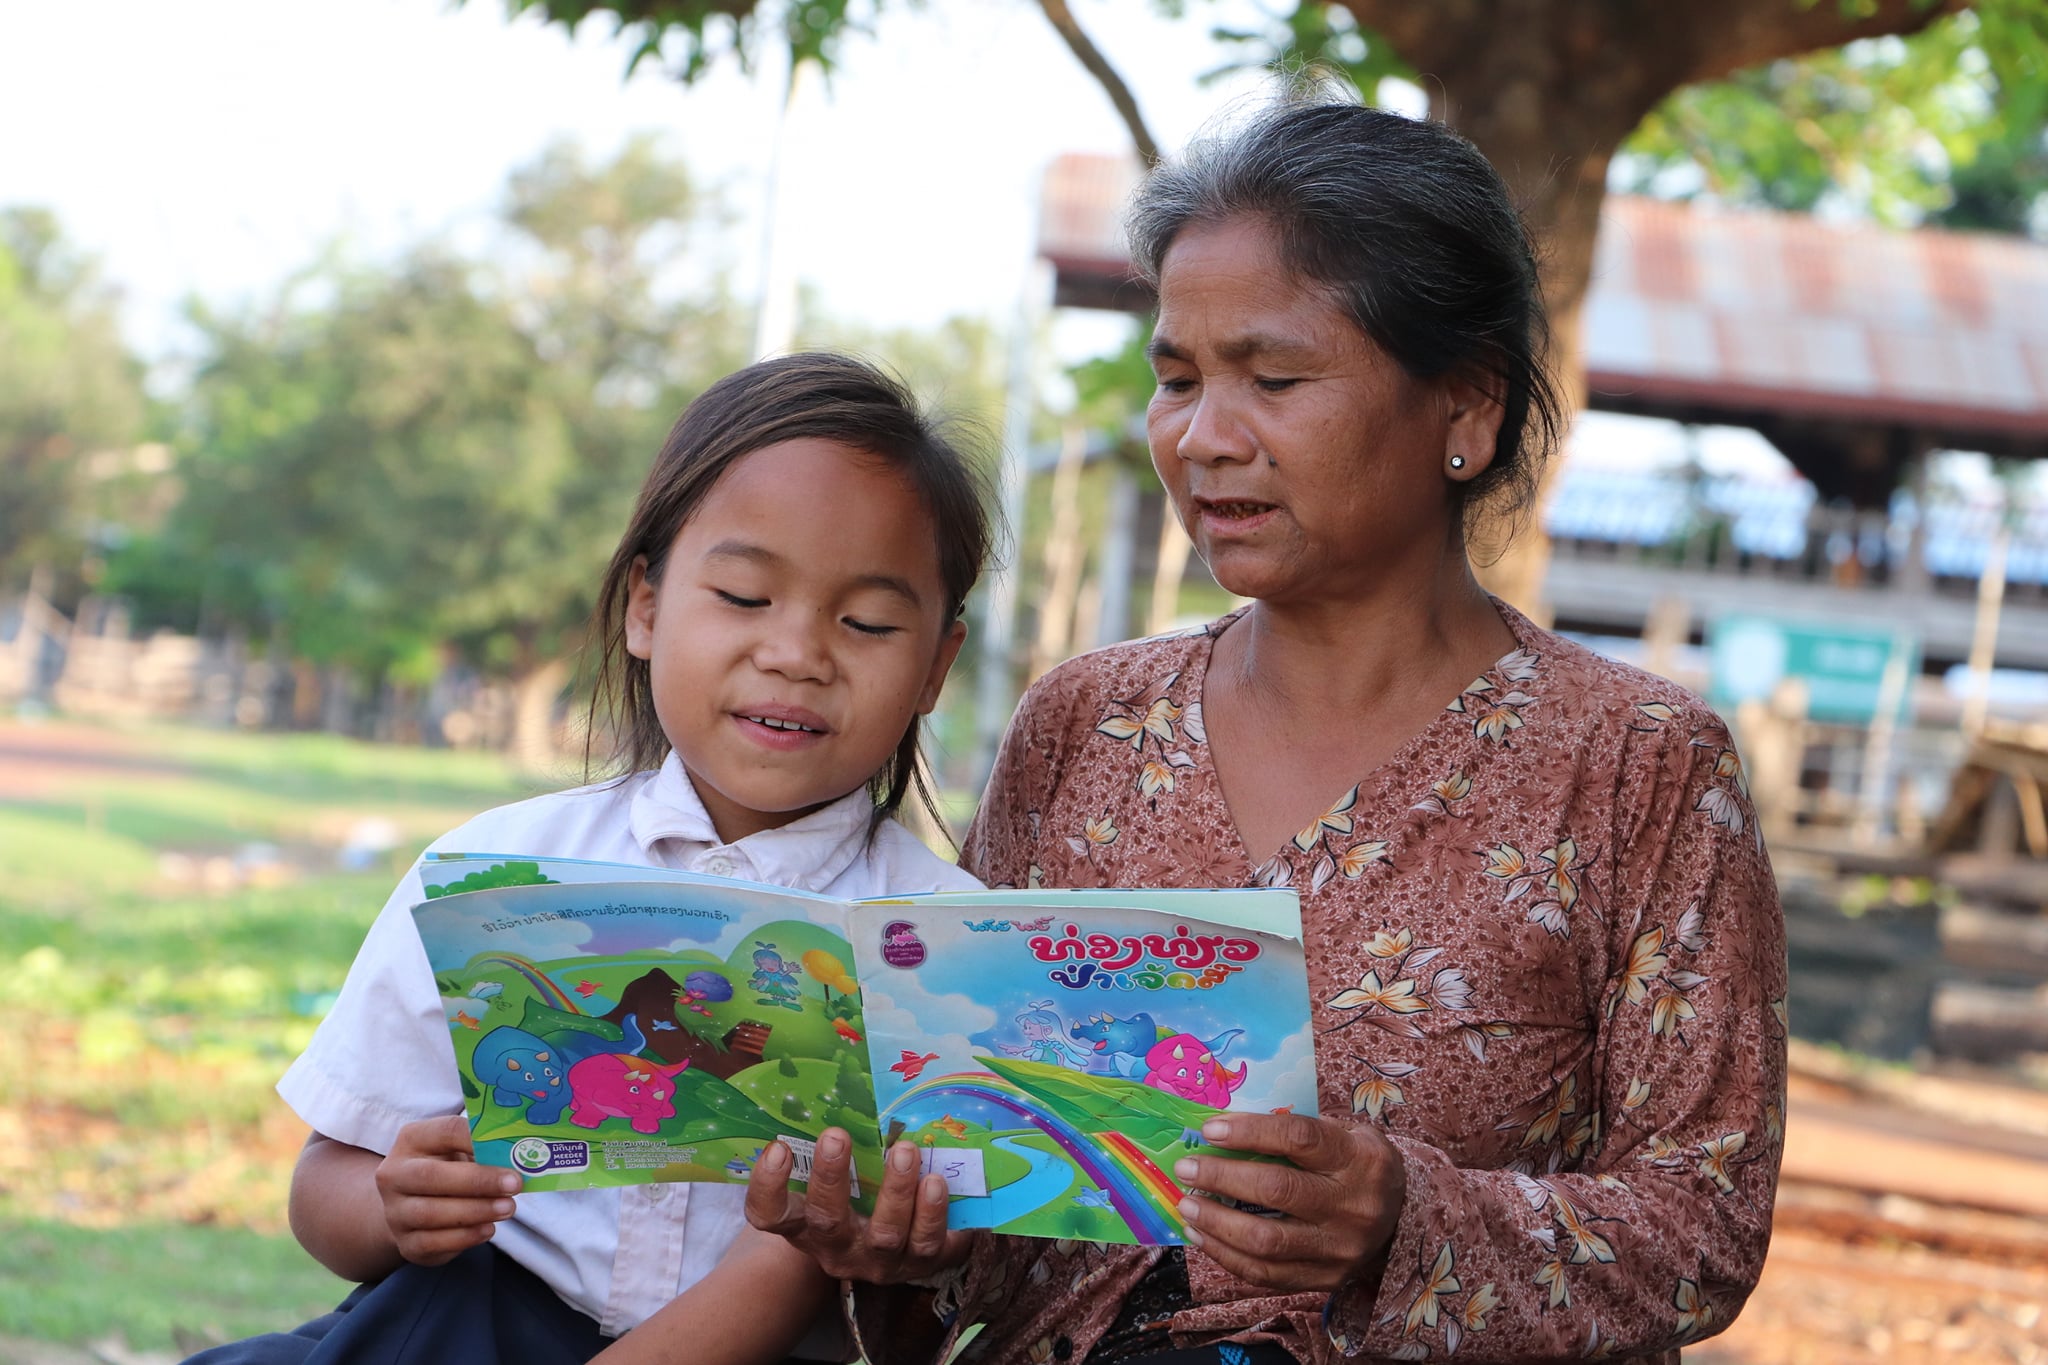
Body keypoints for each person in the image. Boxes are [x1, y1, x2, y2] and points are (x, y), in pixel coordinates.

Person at [744, 92, 1788, 1365]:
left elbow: (1703, 1226)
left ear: (1463, 410)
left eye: (1273, 378)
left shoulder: (1633, 765)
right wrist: (907, 1231)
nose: (1200, 438)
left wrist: (1406, 1220)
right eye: (1174, 380)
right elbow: (975, 1159)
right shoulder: (1084, 722)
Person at [189, 352, 995, 1365]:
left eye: (867, 622)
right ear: (645, 607)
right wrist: (397, 1205)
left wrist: (903, 1236)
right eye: (744, 596)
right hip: (464, 1327)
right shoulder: (495, 874)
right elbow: (327, 1190)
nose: (796, 652)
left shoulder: (946, 945)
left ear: (935, 665)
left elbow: (960, 1243)